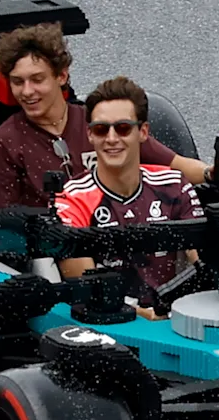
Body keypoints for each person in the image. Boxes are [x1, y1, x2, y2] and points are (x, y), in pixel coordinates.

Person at [0, 26, 206, 210]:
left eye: (37, 80)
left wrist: (214, 173)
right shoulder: (1, 142)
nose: (27, 92)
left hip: (122, 228)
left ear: (61, 76)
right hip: (53, 251)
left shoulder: (101, 123)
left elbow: (176, 165)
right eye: (18, 82)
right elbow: (2, 218)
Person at [48, 76, 202, 314]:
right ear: (89, 135)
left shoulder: (174, 184)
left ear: (143, 132)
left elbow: (203, 261)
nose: (111, 139)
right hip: (113, 322)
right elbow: (88, 292)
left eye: (122, 128)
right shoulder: (70, 200)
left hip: (177, 316)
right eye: (100, 129)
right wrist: (141, 314)